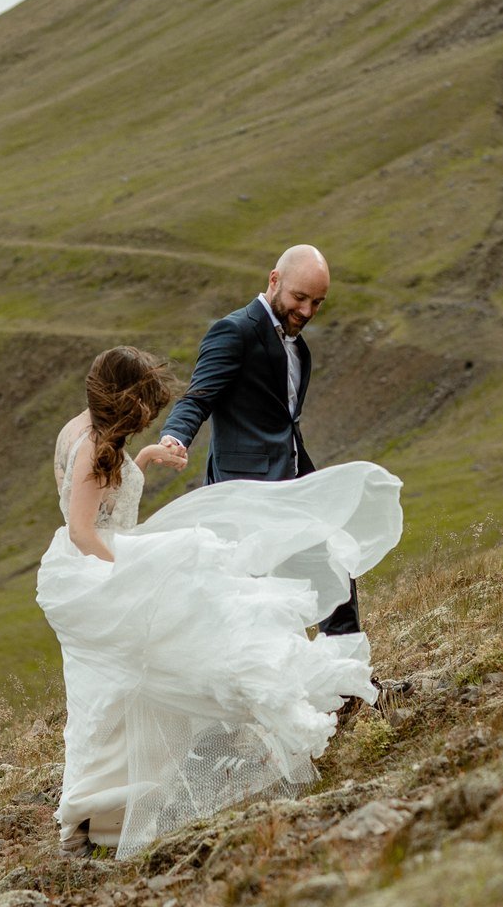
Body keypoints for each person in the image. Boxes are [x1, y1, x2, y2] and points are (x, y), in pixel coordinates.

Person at [37, 345, 400, 858]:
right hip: (97, 569)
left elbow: (99, 495)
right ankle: (104, 810)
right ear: (124, 399)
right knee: (152, 660)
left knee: (113, 690)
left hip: (86, 568)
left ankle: (102, 811)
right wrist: (135, 575)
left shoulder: (81, 430)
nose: (149, 414)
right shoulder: (96, 449)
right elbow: (82, 530)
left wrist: (141, 460)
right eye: (144, 404)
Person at [158, 244, 364, 636]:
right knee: (253, 602)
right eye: (299, 298)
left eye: (317, 303)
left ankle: (348, 678)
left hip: (293, 478)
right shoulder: (234, 331)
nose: (306, 311)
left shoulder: (299, 346)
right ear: (274, 280)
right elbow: (198, 397)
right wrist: (174, 437)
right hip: (244, 493)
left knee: (334, 564)